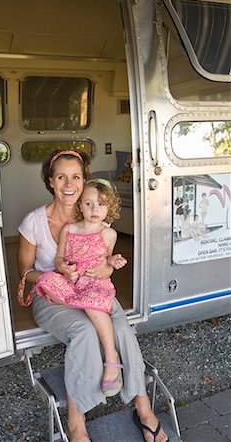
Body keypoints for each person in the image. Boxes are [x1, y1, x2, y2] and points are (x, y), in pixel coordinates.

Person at [18, 149, 168, 442]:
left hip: (91, 290)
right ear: (50, 181)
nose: (69, 184)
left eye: (76, 176)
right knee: (85, 331)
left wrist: (103, 270)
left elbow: (105, 264)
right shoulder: (34, 222)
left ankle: (143, 409)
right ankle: (77, 422)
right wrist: (59, 274)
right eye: (61, 177)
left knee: (121, 327)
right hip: (52, 295)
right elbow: (24, 275)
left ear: (84, 180)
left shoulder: (93, 214)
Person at [36, 179, 128, 397]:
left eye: (101, 204)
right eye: (88, 204)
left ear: (110, 207)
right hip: (72, 280)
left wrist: (112, 262)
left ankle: (111, 357)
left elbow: (106, 262)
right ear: (80, 206)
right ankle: (79, 302)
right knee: (46, 281)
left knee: (93, 300)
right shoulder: (69, 229)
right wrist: (64, 268)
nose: (95, 209)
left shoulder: (109, 234)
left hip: (94, 282)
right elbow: (59, 259)